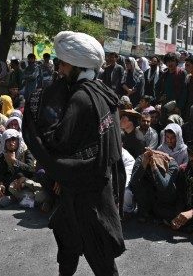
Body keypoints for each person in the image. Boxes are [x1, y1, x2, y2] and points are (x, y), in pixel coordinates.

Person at [22, 31, 125, 275]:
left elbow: (60, 141)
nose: (60, 70)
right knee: (69, 245)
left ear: (78, 67)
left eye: (65, 64)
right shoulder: (102, 91)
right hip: (90, 185)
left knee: (99, 256)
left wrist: (37, 126)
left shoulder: (80, 97)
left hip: (85, 195)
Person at [129, 148, 178, 222]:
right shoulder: (141, 159)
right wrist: (144, 164)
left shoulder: (172, 164)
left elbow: (163, 186)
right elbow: (133, 183)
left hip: (164, 200)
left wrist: (154, 167)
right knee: (138, 183)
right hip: (147, 196)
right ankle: (145, 211)